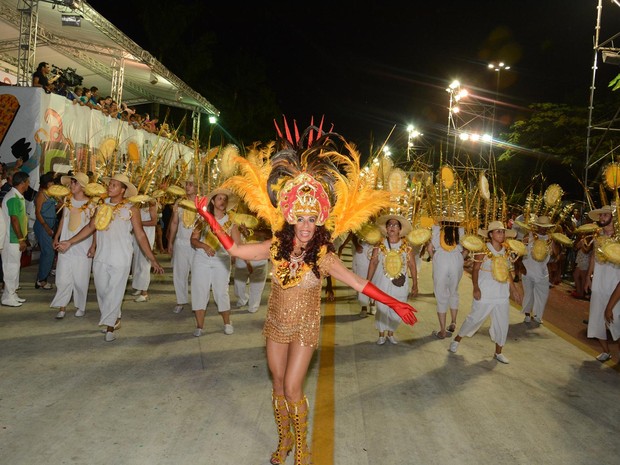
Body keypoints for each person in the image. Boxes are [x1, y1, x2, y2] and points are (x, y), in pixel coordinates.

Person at [194, 131, 417, 465]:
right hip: (276, 325)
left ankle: (302, 448)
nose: (306, 225)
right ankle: (284, 439)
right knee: (279, 385)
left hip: (305, 329)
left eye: (312, 219)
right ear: (290, 218)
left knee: (294, 388)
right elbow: (236, 250)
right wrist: (210, 217)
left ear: (320, 222)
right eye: (300, 218)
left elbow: (359, 283)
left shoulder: (324, 256)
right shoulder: (274, 249)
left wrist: (393, 302)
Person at [56, 173, 164, 341]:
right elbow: (90, 227)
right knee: (103, 291)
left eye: (114, 185)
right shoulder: (100, 205)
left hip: (121, 258)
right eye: (110, 184)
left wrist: (152, 259)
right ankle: (114, 317)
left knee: (115, 291)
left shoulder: (131, 209)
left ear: (123, 190)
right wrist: (69, 242)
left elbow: (141, 236)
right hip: (101, 257)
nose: (110, 187)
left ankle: (110, 327)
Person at [448, 221, 522, 364]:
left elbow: (507, 272)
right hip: (485, 292)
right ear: (490, 234)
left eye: (503, 232)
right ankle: (457, 340)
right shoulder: (483, 250)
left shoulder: (506, 251)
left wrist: (514, 289)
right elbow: (475, 270)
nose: (502, 234)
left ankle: (498, 352)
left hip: (502, 294)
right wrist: (476, 287)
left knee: (502, 323)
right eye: (498, 231)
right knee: (474, 318)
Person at [190, 188, 240, 336]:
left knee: (221, 292)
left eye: (225, 199)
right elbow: (193, 239)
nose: (222, 201)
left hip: (222, 260)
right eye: (219, 198)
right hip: (201, 258)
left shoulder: (231, 222)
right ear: (212, 201)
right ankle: (199, 326)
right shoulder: (203, 218)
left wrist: (235, 256)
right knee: (199, 290)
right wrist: (204, 246)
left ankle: (227, 322)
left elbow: (237, 245)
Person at [366, 214, 417, 344]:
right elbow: (373, 263)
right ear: (386, 229)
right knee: (382, 308)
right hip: (382, 282)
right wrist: (367, 281)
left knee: (397, 308)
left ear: (400, 229)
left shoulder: (406, 246)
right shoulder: (379, 244)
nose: (392, 227)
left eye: (395, 225)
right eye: (389, 225)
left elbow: (412, 264)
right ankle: (381, 334)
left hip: (400, 283)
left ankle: (391, 333)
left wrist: (415, 284)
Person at [50, 172, 94, 319]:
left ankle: (80, 306)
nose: (71, 185)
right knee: (62, 277)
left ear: (82, 186)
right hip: (64, 244)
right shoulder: (67, 200)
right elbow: (63, 219)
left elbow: (94, 227)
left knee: (81, 279)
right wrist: (56, 236)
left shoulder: (91, 204)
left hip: (83, 246)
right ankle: (62, 307)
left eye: (74, 183)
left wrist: (94, 245)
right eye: (71, 183)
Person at [584, 205, 620, 362]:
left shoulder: (619, 238)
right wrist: (588, 277)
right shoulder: (597, 237)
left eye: (605, 215)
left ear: (613, 218)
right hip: (598, 285)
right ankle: (606, 351)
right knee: (597, 319)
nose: (602, 218)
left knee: (616, 320)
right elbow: (593, 257)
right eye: (600, 216)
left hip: (615, 286)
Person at [427, 219, 467, 338]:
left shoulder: (437, 228)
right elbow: (466, 249)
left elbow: (430, 248)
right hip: (456, 259)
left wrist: (435, 259)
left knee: (441, 294)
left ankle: (443, 330)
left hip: (441, 259)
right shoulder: (460, 229)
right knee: (453, 291)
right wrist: (460, 260)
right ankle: (453, 322)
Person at [167, 175, 197, 313]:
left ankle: (198, 302)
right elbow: (174, 222)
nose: (187, 186)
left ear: (197, 187)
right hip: (181, 242)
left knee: (198, 274)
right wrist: (170, 241)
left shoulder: (202, 202)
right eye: (187, 184)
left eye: (190, 184)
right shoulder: (179, 203)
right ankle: (181, 300)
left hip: (197, 244)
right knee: (179, 273)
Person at [520, 215, 557, 324]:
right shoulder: (529, 236)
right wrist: (521, 267)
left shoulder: (550, 239)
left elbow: (554, 254)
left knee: (543, 294)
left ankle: (537, 315)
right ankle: (527, 314)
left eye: (545, 227)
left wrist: (553, 243)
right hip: (528, 269)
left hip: (542, 271)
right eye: (540, 226)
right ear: (537, 226)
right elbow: (521, 251)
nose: (543, 229)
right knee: (528, 294)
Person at [1, 171, 30, 307]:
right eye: (28, 182)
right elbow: (14, 220)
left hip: (16, 239)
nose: (29, 184)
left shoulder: (18, 196)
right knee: (10, 268)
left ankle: (11, 294)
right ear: (23, 183)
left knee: (15, 267)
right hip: (12, 239)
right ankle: (7, 297)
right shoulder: (13, 197)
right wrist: (20, 239)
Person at [232, 224, 270, 313]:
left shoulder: (266, 217)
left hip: (260, 257)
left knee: (257, 285)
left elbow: (269, 234)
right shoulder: (240, 217)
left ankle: (253, 306)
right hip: (243, 255)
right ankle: (243, 298)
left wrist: (251, 231)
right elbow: (236, 238)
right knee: (238, 284)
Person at [338, 230, 374, 317]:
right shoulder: (361, 219)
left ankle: (373, 304)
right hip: (361, 252)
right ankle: (364, 307)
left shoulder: (379, 221)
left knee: (374, 278)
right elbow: (353, 233)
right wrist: (356, 245)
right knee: (361, 278)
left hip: (374, 251)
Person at [33, 171, 58, 290]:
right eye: (52, 181)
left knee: (46, 252)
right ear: (48, 183)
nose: (53, 183)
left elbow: (54, 207)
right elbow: (37, 212)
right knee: (49, 252)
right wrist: (46, 226)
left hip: (50, 224)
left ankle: (41, 278)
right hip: (43, 225)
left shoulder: (50, 194)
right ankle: (41, 280)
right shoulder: (41, 195)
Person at [130, 199, 158, 302]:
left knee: (144, 264)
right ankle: (138, 287)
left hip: (146, 236)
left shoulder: (152, 204)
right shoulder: (135, 203)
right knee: (136, 263)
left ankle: (144, 293)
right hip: (136, 235)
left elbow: (154, 221)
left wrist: (137, 222)